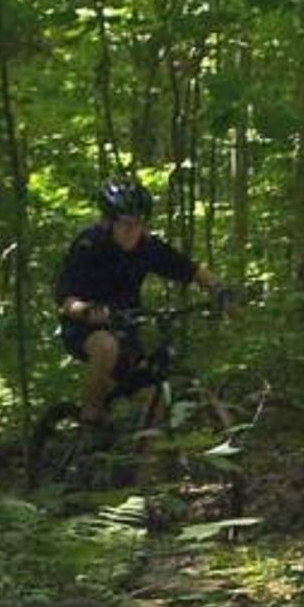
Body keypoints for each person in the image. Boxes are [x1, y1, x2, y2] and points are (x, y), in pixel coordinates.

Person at [53, 178, 227, 428]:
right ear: (109, 222)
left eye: (139, 224)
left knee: (152, 400)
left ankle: (145, 464)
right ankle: (90, 418)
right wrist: (85, 310)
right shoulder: (89, 245)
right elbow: (65, 296)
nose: (133, 230)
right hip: (84, 329)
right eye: (126, 224)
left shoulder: (147, 247)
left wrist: (219, 289)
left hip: (126, 330)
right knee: (105, 346)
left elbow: (190, 269)